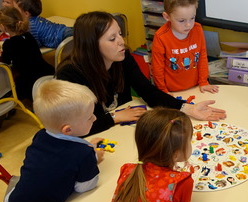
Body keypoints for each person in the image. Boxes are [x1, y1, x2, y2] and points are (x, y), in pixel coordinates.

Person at [56, 11, 226, 136]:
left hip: (125, 130)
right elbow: (73, 129)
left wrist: (188, 108)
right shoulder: (70, 75)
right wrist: (115, 117)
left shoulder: (122, 57)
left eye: (120, 34)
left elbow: (148, 92)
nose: (122, 42)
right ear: (92, 45)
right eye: (112, 38)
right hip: (93, 140)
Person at [0, 79, 105, 202]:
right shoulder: (84, 154)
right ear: (67, 130)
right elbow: (84, 187)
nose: (94, 118)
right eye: (89, 117)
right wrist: (93, 159)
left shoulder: (40, 135)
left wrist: (88, 150)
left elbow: (58, 159)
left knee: (23, 187)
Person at [151, 0, 219, 94]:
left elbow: (202, 56)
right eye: (182, 20)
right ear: (167, 17)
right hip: (171, 90)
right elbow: (157, 67)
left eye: (192, 18)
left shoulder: (197, 29)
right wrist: (162, 90)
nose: (188, 24)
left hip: (195, 87)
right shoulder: (161, 37)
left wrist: (204, 82)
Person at [0, 6, 55, 102]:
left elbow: (5, 62)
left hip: (30, 81)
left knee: (10, 90)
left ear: (3, 26)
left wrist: (2, 53)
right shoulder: (28, 35)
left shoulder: (9, 44)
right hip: (47, 72)